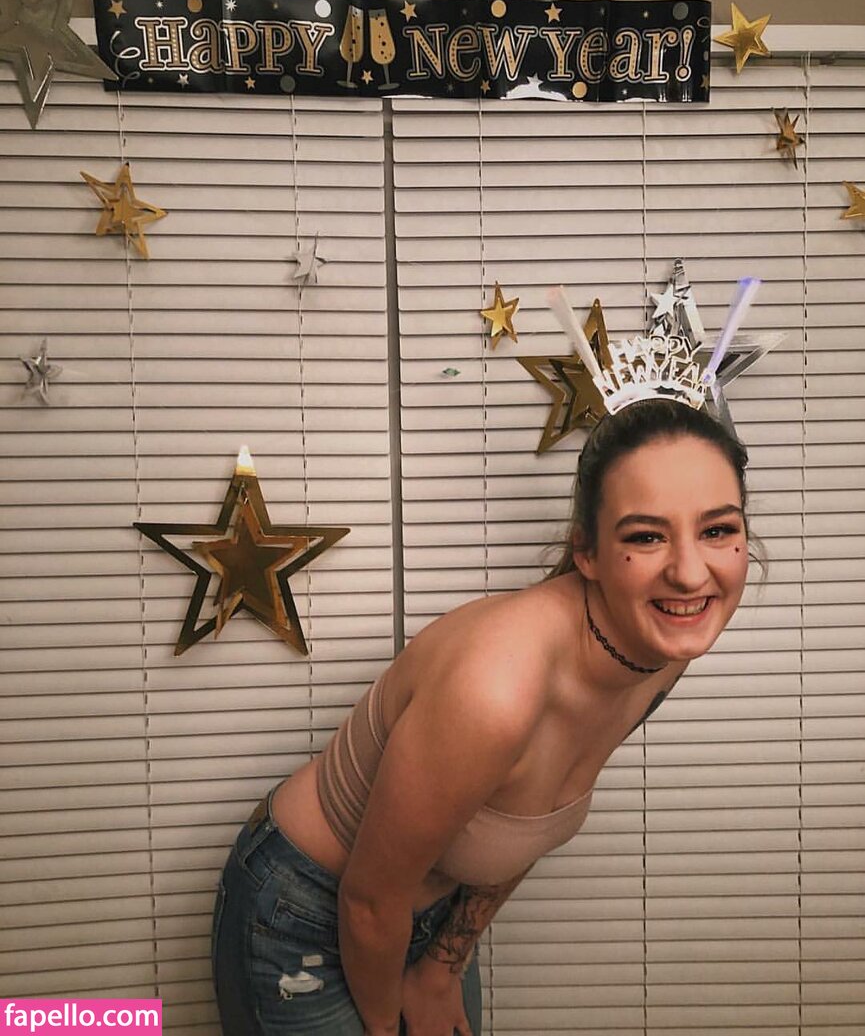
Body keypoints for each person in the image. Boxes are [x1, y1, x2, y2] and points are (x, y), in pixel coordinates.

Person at [211, 395, 767, 1036]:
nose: (691, 574)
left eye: (717, 530)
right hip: (305, 911)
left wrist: (443, 965)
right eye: (645, 536)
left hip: (421, 916)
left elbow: (533, 812)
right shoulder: (495, 690)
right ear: (585, 551)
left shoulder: (661, 648)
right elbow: (369, 901)